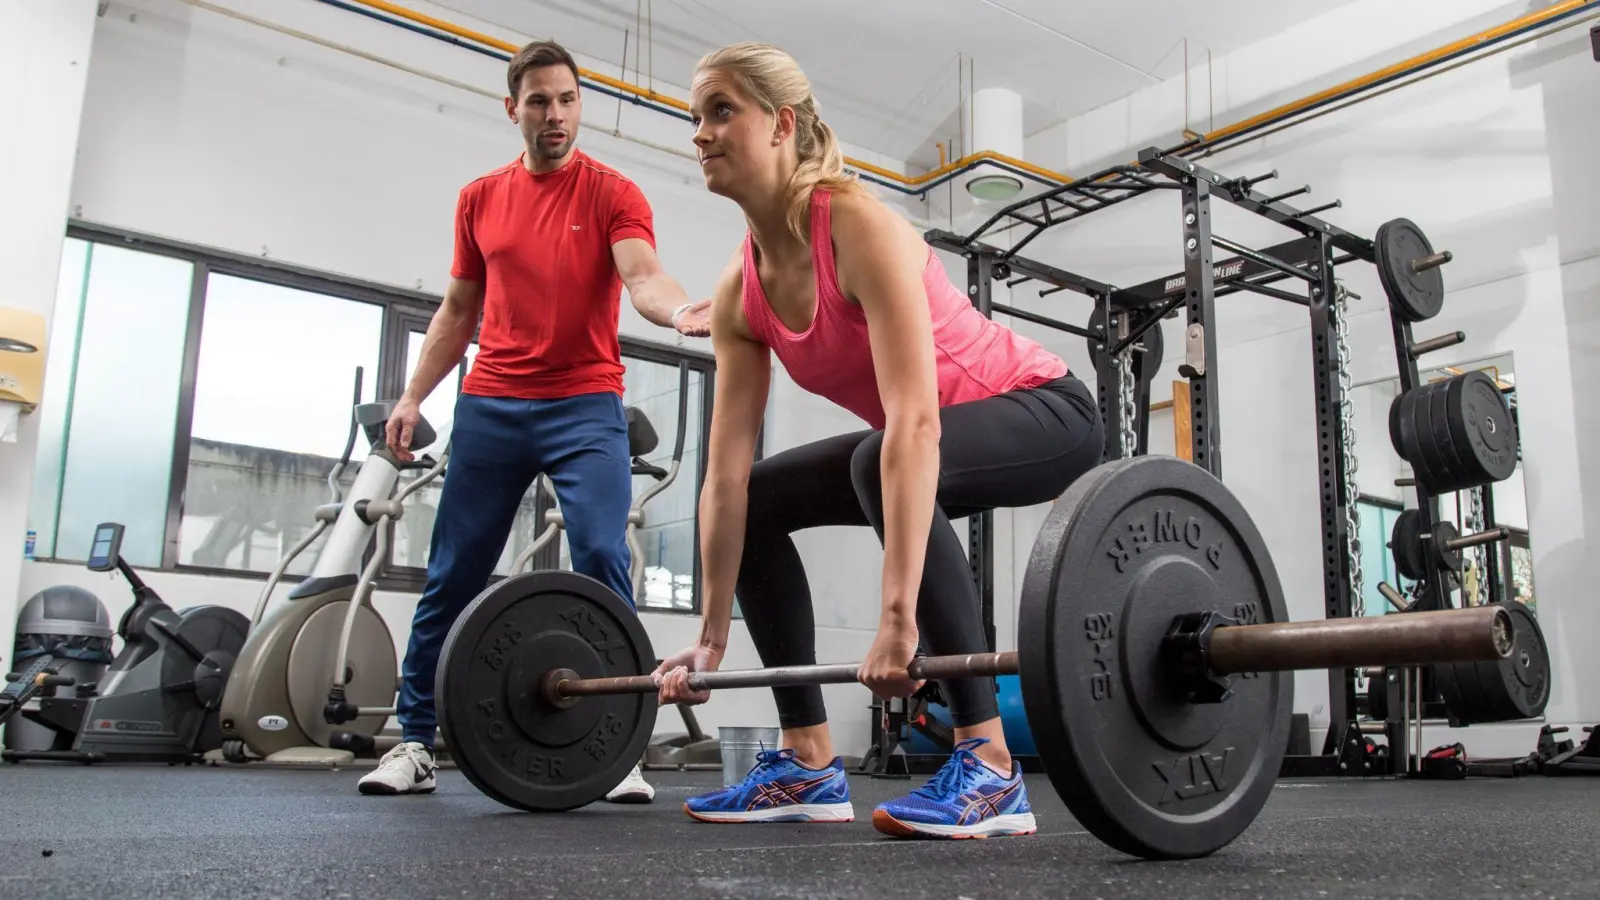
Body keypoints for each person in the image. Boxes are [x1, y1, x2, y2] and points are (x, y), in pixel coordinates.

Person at [652, 42, 1105, 839]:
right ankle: (807, 760)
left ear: (782, 123)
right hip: (913, 438)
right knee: (760, 498)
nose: (701, 132)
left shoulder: (856, 225)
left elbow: (917, 425)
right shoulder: (740, 290)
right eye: (696, 117)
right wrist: (710, 638)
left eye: (721, 110)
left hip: (1045, 410)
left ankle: (991, 766)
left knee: (878, 454)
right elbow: (724, 480)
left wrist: (897, 619)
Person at [358, 40, 710, 802]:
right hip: (491, 403)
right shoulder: (479, 198)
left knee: (600, 558)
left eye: (569, 100)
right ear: (512, 107)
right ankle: (414, 742)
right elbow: (459, 309)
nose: (557, 115)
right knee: (453, 572)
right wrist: (413, 395)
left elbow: (642, 273)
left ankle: (619, 746)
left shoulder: (613, 192)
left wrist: (679, 309)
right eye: (542, 101)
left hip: (584, 403)